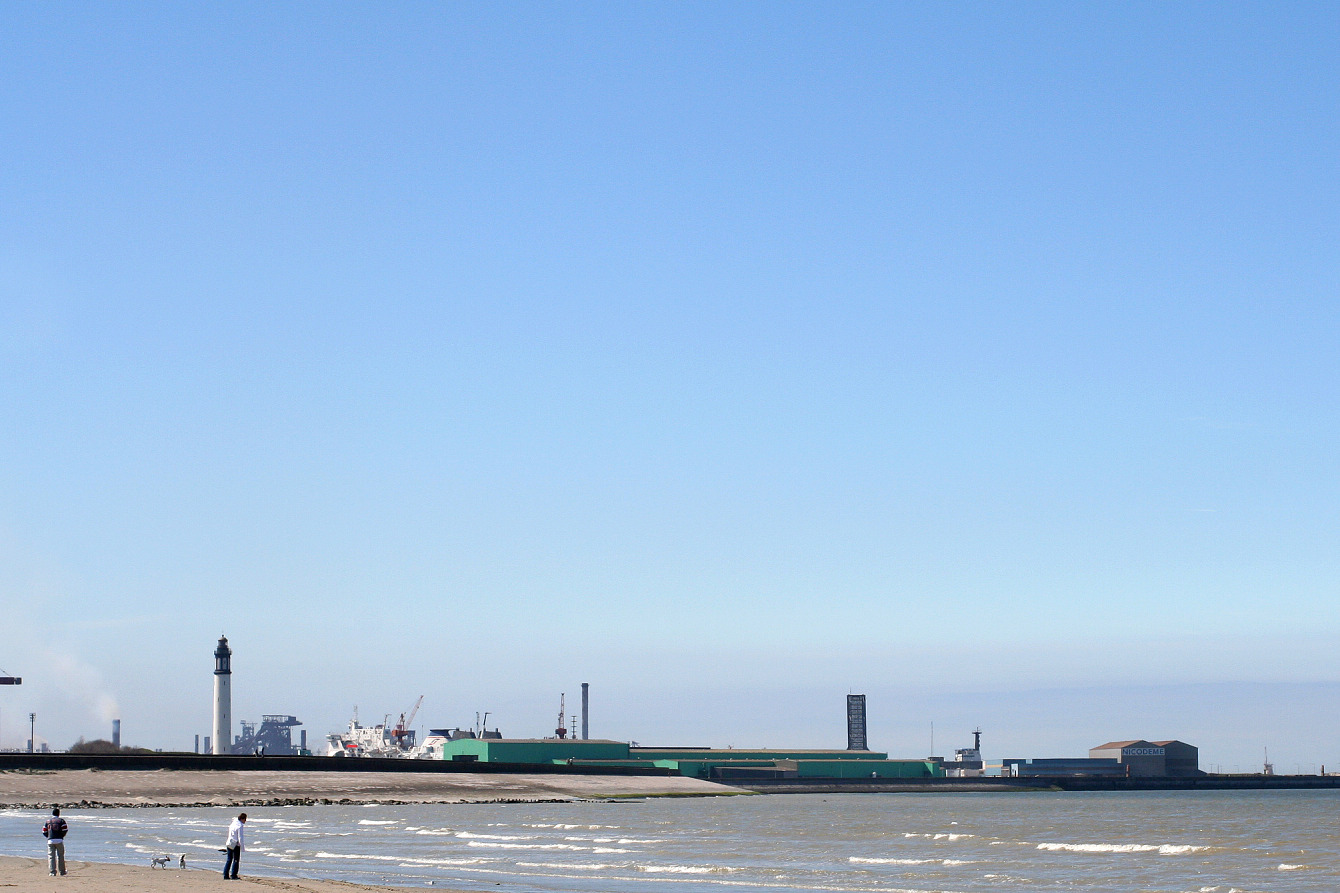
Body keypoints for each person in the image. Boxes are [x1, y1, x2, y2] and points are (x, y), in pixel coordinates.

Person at [42, 807, 68, 876]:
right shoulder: (61, 821)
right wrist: (61, 836)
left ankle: (52, 872)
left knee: (51, 856)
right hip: (59, 840)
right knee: (60, 856)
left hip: (50, 840)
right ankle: (62, 871)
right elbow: (65, 830)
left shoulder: (48, 821)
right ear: (59, 814)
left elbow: (44, 831)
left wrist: (48, 836)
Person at [222, 812, 246, 879]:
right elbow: (240, 837)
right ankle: (234, 875)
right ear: (242, 819)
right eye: (245, 819)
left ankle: (225, 874)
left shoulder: (233, 824)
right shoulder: (239, 826)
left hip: (229, 842)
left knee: (229, 859)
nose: (245, 821)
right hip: (235, 844)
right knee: (236, 860)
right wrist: (242, 847)